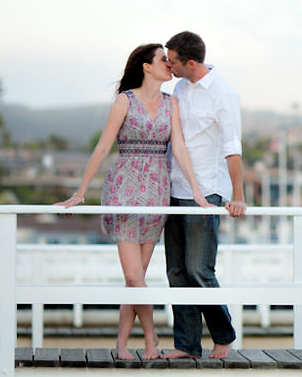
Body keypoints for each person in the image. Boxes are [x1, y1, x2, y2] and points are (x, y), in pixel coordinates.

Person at [56, 43, 210, 360]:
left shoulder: (172, 103)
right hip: (125, 190)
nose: (169, 64)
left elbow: (179, 148)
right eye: (163, 59)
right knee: (134, 277)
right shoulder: (124, 101)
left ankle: (121, 344)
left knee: (135, 278)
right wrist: (80, 192)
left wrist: (196, 190)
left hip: (156, 191)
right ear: (146, 66)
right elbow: (102, 147)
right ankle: (151, 340)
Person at [161, 31, 247, 360]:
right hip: (174, 188)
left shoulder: (223, 92)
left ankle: (223, 335)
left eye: (173, 61)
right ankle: (187, 345)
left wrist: (236, 196)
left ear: (191, 62)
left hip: (207, 192)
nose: (168, 65)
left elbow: (232, 147)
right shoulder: (180, 87)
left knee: (199, 269)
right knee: (177, 272)